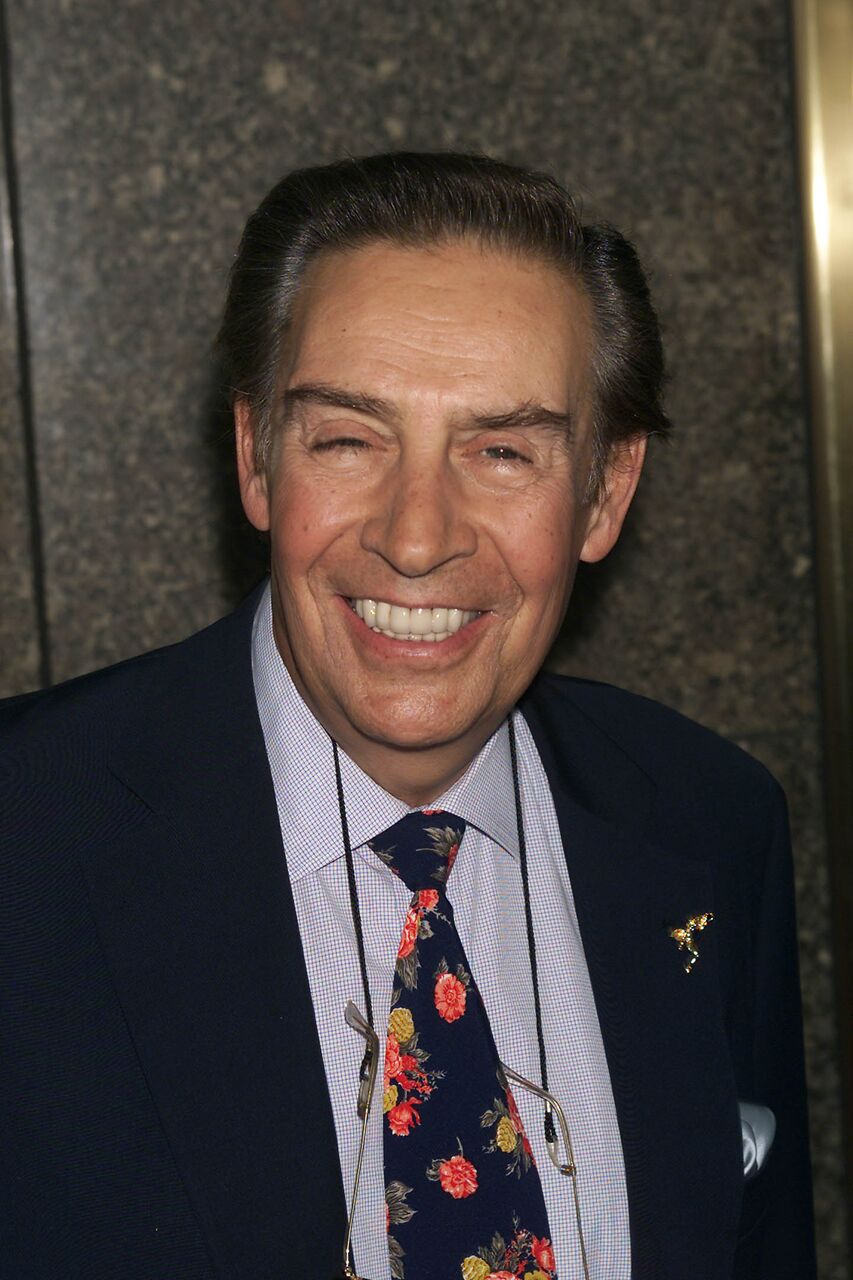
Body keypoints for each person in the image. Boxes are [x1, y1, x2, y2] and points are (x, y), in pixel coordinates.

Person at [0, 153, 815, 1280]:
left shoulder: (712, 824)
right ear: (254, 457)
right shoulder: (25, 839)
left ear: (604, 491)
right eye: (348, 438)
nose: (418, 533)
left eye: (501, 451)